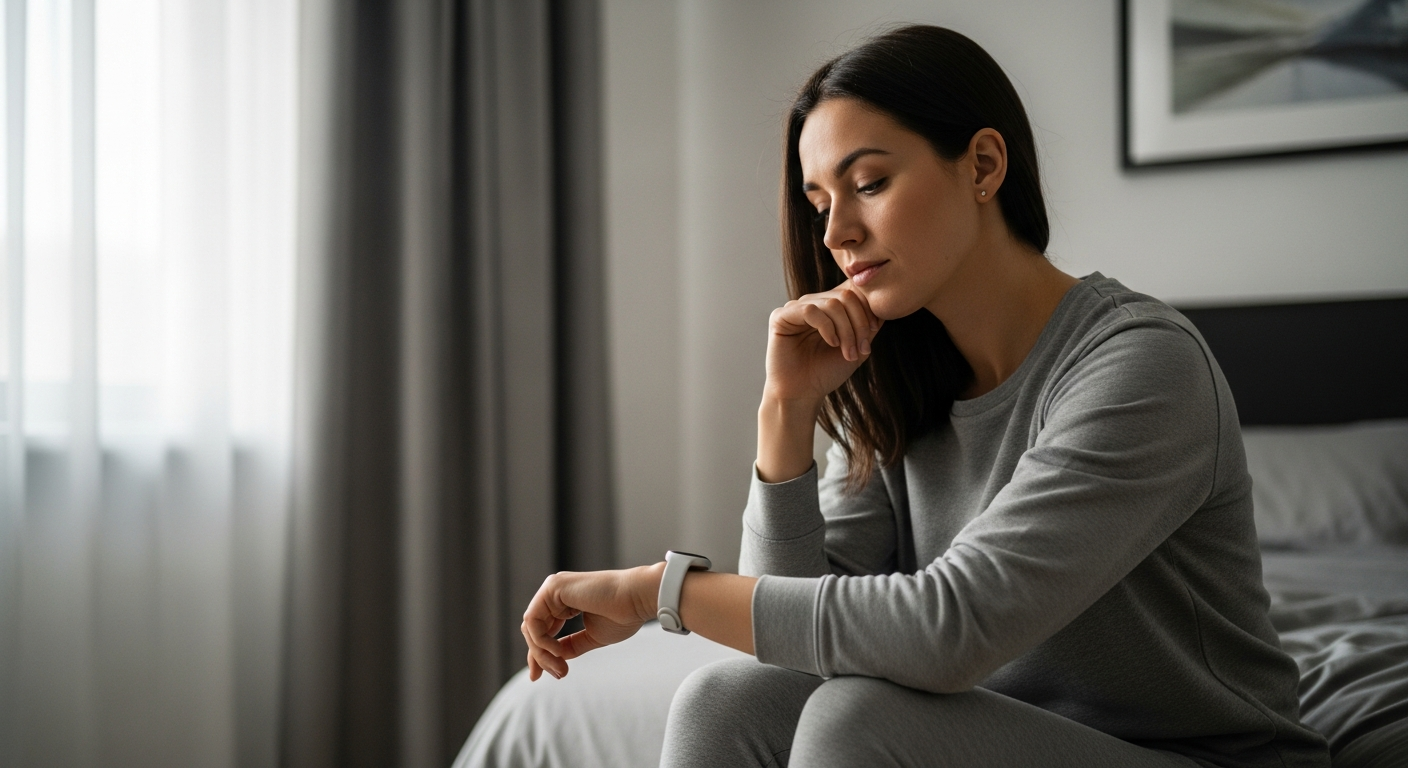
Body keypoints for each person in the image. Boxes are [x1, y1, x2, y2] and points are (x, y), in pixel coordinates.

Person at [519, 24, 1330, 768]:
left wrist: (657, 593)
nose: (835, 234)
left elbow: (950, 627)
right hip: (989, 738)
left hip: (1200, 759)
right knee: (722, 701)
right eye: (818, 203)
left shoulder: (1140, 365)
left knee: (855, 719)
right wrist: (786, 410)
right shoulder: (889, 373)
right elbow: (793, 642)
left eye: (867, 183)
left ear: (982, 166)